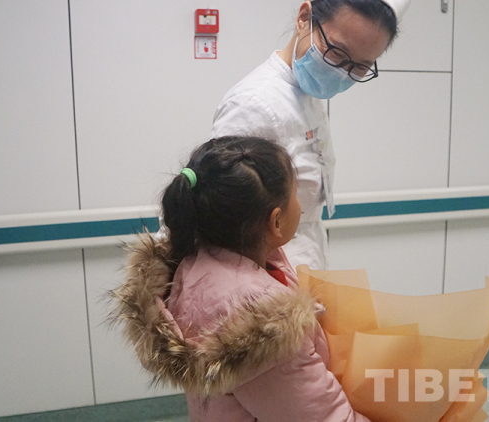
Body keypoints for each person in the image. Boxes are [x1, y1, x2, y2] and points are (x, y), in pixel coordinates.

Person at [110, 136, 371, 421]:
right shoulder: (266, 326)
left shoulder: (196, 267)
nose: (300, 204)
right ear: (276, 221)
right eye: (295, 193)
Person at [210, 0, 411, 270]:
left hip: (301, 261)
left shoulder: (305, 91)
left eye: (360, 67)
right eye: (336, 53)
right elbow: (224, 220)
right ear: (304, 17)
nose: (342, 74)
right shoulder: (254, 104)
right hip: (263, 275)